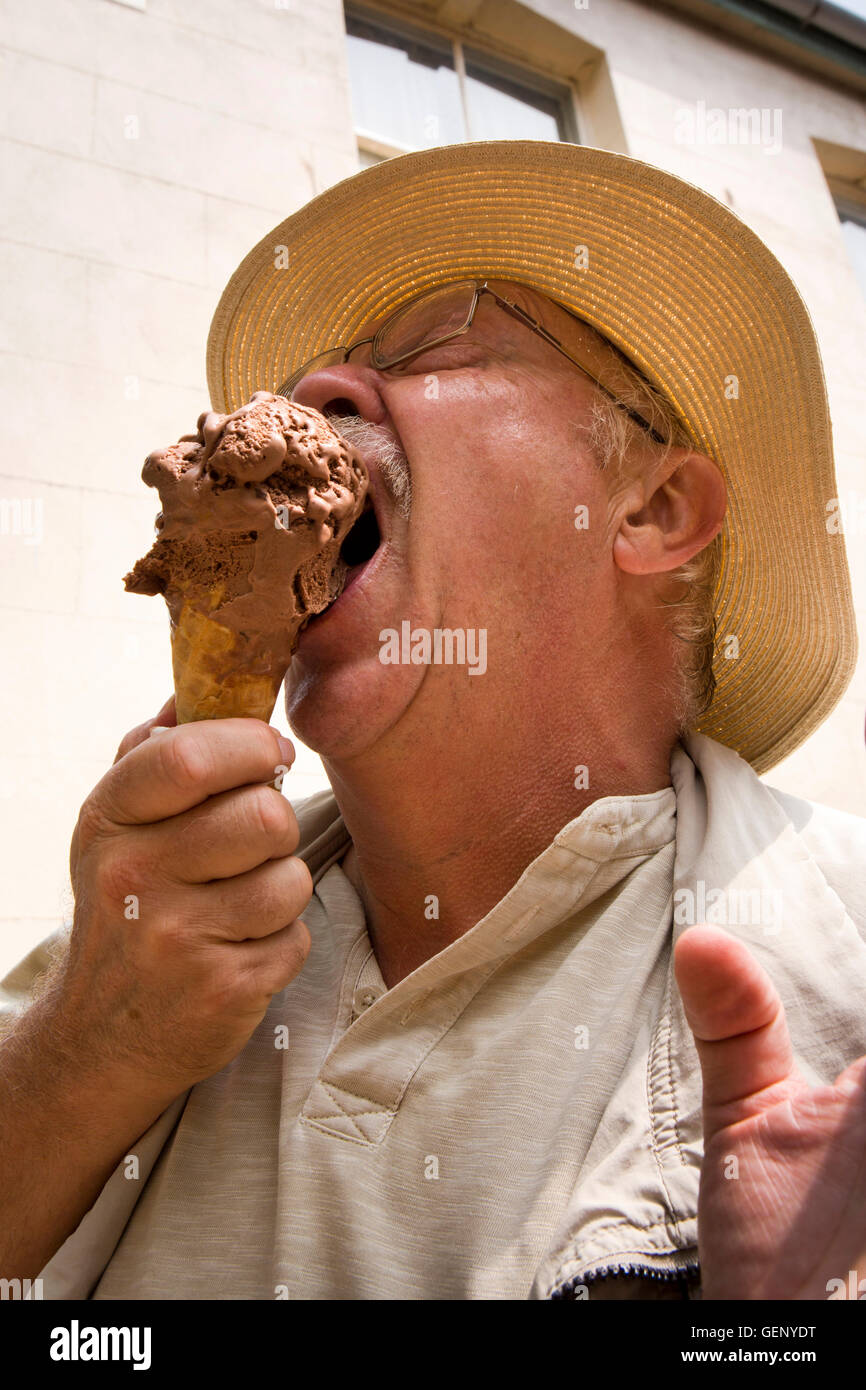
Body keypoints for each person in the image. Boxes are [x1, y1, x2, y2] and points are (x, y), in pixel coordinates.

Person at [1, 141, 865, 1301]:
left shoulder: (844, 959)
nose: (308, 395)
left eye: (427, 343)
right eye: (311, 371)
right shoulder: (114, 951)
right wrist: (83, 1053)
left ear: (654, 508)